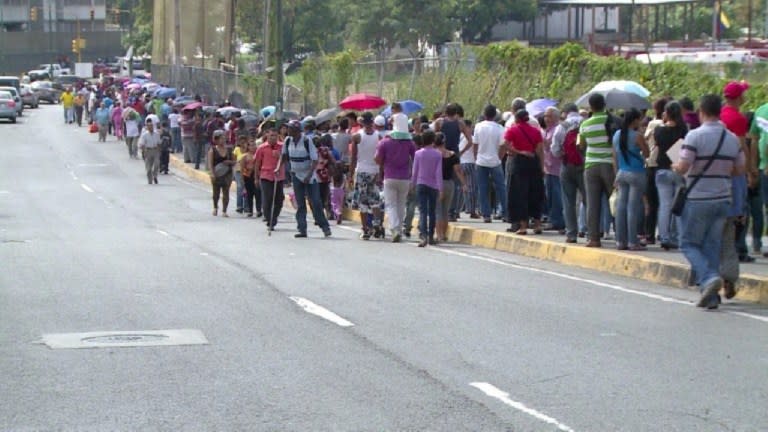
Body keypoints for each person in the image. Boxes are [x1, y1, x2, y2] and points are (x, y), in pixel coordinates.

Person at [673, 94, 745, 310]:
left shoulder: (694, 136)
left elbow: (684, 166)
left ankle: (708, 277)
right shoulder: (732, 138)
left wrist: (674, 167)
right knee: (712, 245)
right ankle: (711, 296)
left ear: (702, 112)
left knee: (688, 243)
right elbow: (740, 168)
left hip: (698, 198)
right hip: (723, 198)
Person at [720, 81, 754, 299]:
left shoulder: (720, 115)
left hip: (714, 180)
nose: (745, 98)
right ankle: (729, 278)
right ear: (737, 98)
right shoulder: (738, 119)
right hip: (735, 177)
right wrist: (750, 171)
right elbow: (742, 147)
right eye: (743, 94)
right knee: (731, 231)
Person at [280, 120, 332, 238]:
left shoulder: (306, 141)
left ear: (297, 130)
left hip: (309, 175)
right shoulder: (288, 141)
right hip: (296, 175)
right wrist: (278, 168)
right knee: (300, 203)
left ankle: (324, 226)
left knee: (315, 202)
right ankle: (302, 229)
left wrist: (308, 176)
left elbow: (314, 160)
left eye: (290, 128)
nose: (288, 130)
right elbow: (283, 156)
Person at [579, 93, 616, 248]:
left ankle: (593, 238)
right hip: (609, 165)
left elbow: (581, 145)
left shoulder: (585, 124)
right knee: (615, 200)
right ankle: (621, 236)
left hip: (591, 165)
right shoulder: (612, 122)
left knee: (592, 203)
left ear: (590, 106)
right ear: (604, 105)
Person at [612, 109, 649, 250]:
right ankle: (632, 241)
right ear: (634, 120)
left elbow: (614, 156)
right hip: (636, 172)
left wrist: (616, 174)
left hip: (621, 172)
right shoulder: (637, 136)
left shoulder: (617, 135)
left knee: (621, 207)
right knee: (632, 208)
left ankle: (620, 241)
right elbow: (647, 153)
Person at [504, 109, 545, 235]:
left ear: (516, 118)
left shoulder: (512, 130)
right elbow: (540, 150)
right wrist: (542, 166)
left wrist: (518, 151)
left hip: (519, 163)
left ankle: (523, 226)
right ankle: (537, 224)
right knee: (535, 192)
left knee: (520, 194)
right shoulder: (536, 131)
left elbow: (506, 145)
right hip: (533, 162)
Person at [654, 101, 688, 250]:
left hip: (662, 169)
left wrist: (663, 121)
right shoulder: (683, 129)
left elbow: (658, 144)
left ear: (666, 113)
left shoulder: (659, 131)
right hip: (678, 168)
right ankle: (679, 238)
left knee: (664, 206)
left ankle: (664, 237)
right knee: (679, 205)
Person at [375, 126, 416, 243]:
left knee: (391, 204)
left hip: (389, 176)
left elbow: (377, 159)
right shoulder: (409, 143)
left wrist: (385, 162)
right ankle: (399, 229)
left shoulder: (384, 142)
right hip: (405, 178)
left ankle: (395, 228)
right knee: (401, 204)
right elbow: (415, 157)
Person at [551, 103, 585, 243]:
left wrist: (564, 155)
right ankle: (590, 232)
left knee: (568, 201)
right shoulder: (585, 123)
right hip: (584, 165)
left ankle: (571, 234)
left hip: (567, 165)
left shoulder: (562, 126)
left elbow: (555, 149)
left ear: (565, 112)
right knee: (588, 200)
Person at [350, 112, 383, 240]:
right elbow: (381, 157)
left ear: (362, 122)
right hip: (374, 171)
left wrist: (350, 175)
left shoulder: (357, 136)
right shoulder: (379, 137)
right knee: (375, 201)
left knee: (363, 202)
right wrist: (380, 172)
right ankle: (376, 224)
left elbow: (353, 157)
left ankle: (365, 229)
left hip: (362, 171)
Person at [474, 104, 507, 223]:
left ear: (484, 114)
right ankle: (505, 212)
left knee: (483, 188)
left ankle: (486, 214)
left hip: (481, 161)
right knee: (501, 188)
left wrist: (475, 157)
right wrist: (500, 157)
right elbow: (503, 145)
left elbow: (475, 144)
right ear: (495, 115)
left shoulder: (478, 126)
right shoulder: (500, 128)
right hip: (495, 161)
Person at [412, 130, 443, 247]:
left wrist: (412, 184)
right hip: (433, 185)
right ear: (433, 140)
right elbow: (438, 173)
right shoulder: (437, 154)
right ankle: (431, 236)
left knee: (422, 211)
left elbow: (415, 171)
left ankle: (423, 236)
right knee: (432, 211)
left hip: (421, 183)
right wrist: (441, 189)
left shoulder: (418, 154)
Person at [435, 132, 468, 242]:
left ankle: (438, 234)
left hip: (436, 184)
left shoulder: (434, 154)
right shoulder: (452, 155)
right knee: (445, 211)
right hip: (449, 184)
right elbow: (458, 171)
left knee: (438, 211)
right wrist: (464, 184)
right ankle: (444, 234)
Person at [254, 128, 285, 229]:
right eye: (271, 135)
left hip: (279, 176)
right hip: (266, 176)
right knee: (267, 199)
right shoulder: (261, 148)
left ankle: (274, 217)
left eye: (275, 135)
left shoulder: (282, 147)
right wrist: (256, 178)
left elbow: (286, 160)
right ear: (267, 136)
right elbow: (257, 163)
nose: (273, 138)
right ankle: (269, 218)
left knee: (279, 199)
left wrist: (279, 156)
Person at [542, 107, 565, 232]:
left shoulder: (557, 130)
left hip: (556, 168)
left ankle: (558, 221)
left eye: (549, 116)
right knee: (549, 196)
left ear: (556, 117)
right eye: (546, 116)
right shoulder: (547, 130)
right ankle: (552, 219)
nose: (547, 119)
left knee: (556, 197)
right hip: (548, 168)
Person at [207, 129, 236, 217]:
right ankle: (215, 207)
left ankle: (224, 210)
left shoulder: (230, 149)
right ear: (216, 139)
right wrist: (212, 174)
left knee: (226, 192)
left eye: (223, 138)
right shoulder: (213, 150)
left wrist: (229, 162)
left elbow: (235, 161)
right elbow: (210, 163)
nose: (222, 140)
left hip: (227, 173)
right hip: (217, 174)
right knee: (216, 192)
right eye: (220, 138)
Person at [458, 119, 479, 218]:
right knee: (472, 188)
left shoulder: (460, 137)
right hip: (470, 164)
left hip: (461, 164)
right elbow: (475, 152)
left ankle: (459, 209)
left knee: (463, 187)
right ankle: (471, 210)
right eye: (471, 127)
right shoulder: (472, 138)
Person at [138, 117, 162, 184]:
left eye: (151, 126)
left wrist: (159, 151)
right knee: (148, 168)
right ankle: (150, 180)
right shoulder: (144, 135)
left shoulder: (156, 134)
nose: (150, 127)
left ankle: (155, 176)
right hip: (148, 151)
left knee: (157, 164)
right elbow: (141, 144)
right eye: (149, 126)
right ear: (147, 127)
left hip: (155, 150)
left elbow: (159, 143)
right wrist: (143, 151)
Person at [240, 138, 259, 218]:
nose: (253, 147)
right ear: (248, 147)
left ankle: (259, 210)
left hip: (257, 175)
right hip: (248, 176)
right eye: (251, 145)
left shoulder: (258, 155)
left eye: (254, 145)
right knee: (249, 194)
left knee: (258, 194)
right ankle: (250, 210)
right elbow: (242, 169)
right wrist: (242, 181)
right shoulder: (245, 156)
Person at [233, 135, 248, 214]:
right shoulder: (236, 149)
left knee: (247, 188)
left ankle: (246, 206)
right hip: (238, 171)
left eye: (244, 141)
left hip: (247, 171)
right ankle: (239, 206)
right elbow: (234, 161)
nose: (243, 143)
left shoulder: (248, 150)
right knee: (240, 187)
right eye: (241, 141)